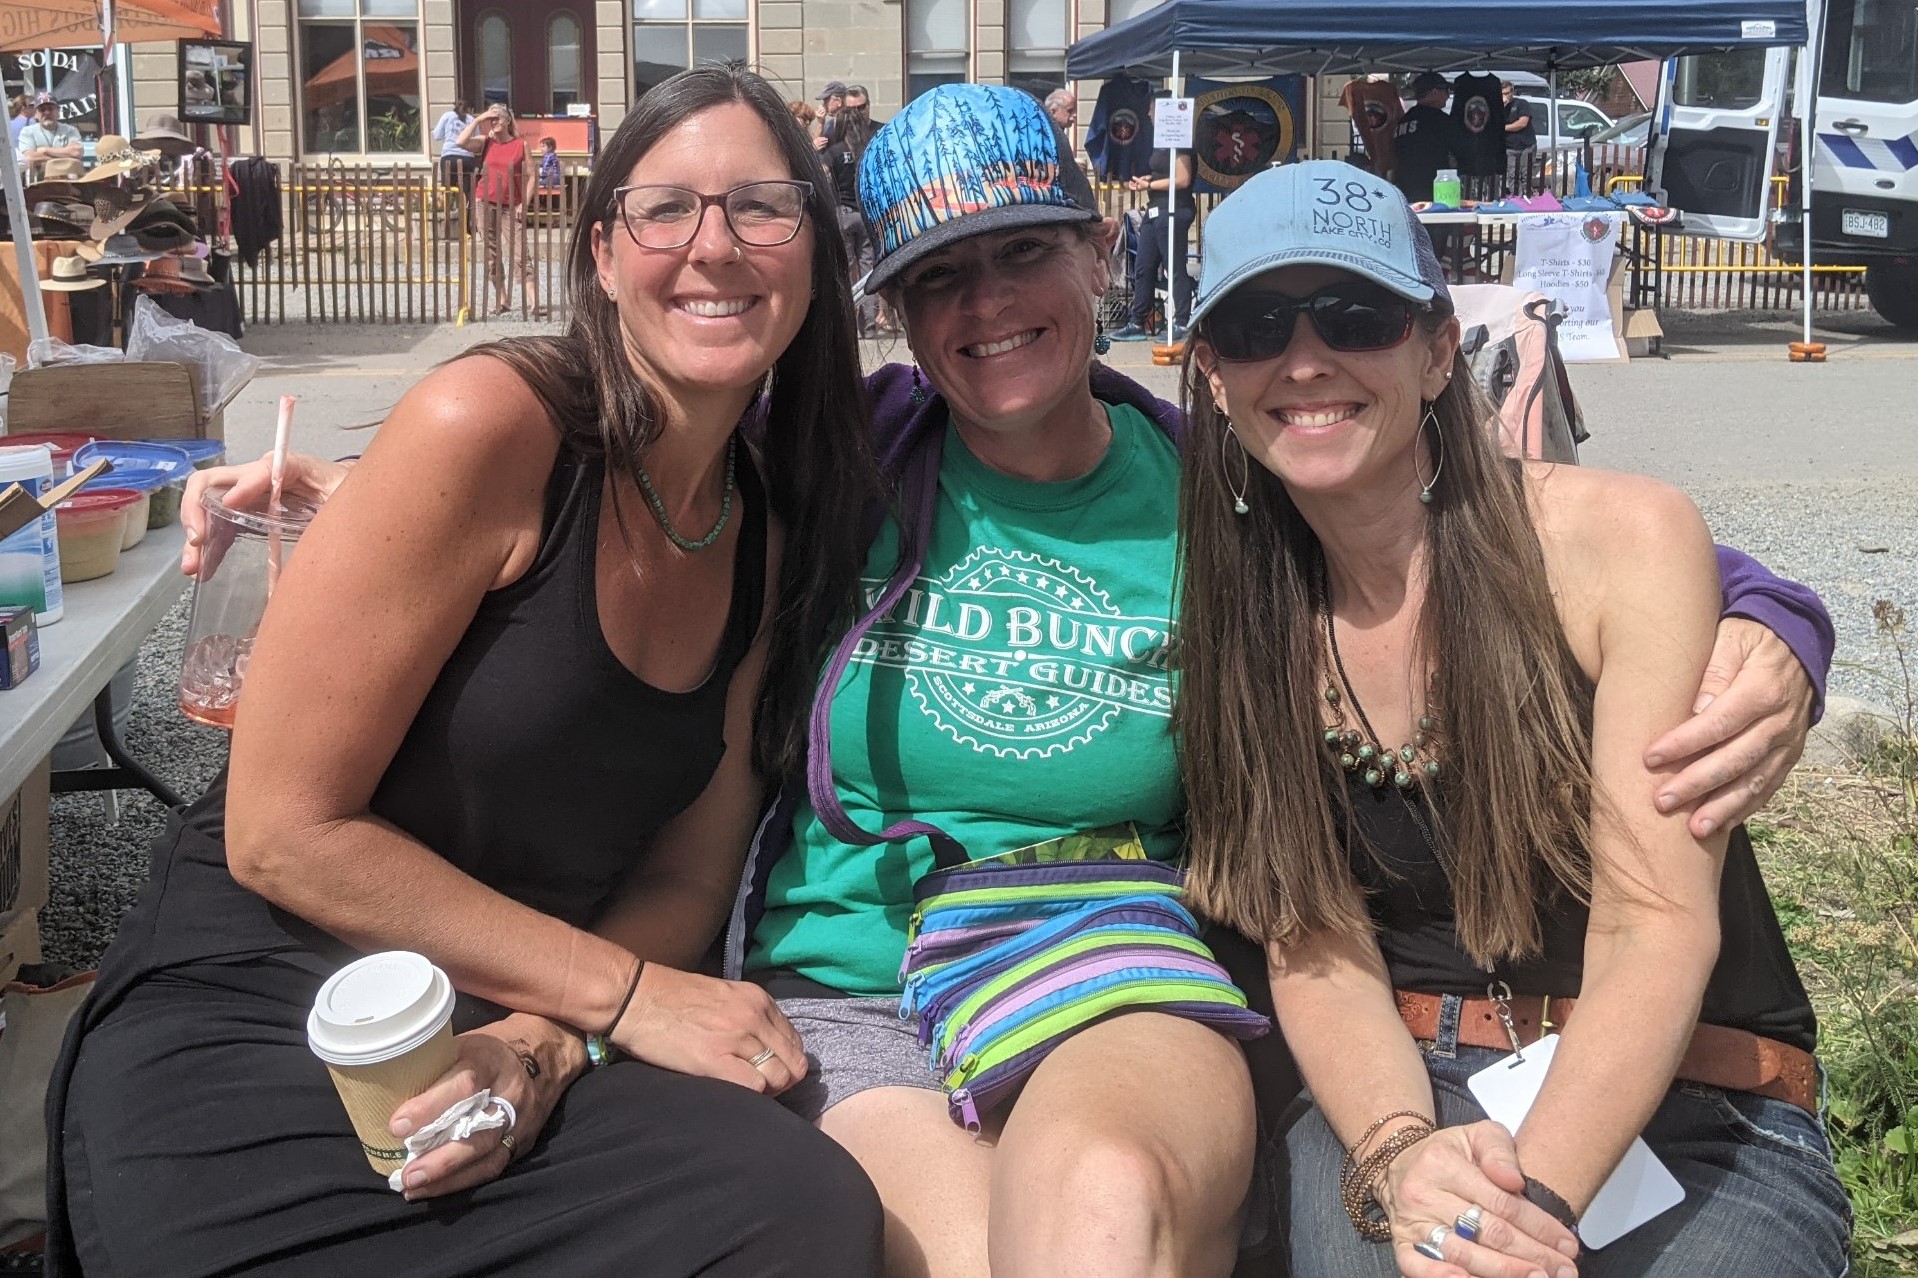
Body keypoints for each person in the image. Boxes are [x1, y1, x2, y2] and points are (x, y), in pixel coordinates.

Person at [189, 86, 1832, 1278]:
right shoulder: (829, 456)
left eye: (1022, 252)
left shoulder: (1217, 482)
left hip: (1097, 941)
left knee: (1104, 1205)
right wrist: (346, 513)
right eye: (936, 280)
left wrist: (1776, 617)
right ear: (893, 311)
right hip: (841, 970)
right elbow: (616, 476)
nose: (987, 307)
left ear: (1097, 255)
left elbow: (1471, 521)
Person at [47, 62, 887, 1278]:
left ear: (812, 250)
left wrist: (544, 1045)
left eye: (761, 204)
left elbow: (689, 870)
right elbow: (280, 833)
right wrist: (627, 995)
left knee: (801, 1205)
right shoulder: (491, 422)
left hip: (517, 1023)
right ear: (602, 254)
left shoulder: (762, 525)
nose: (714, 245)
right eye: (665, 209)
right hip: (276, 1000)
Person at [1174, 162, 1852, 1278]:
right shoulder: (1237, 598)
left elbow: (1653, 926)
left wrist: (1518, 1216)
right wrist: (1398, 1158)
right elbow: (1314, 941)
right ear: (1211, 373)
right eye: (1254, 325)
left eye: (1354, 316)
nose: (1303, 359)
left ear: (1438, 348)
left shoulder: (1613, 542)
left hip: (1687, 1093)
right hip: (1392, 1093)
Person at [457, 104, 546, 317]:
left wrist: (524, 203)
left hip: (510, 206)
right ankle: (502, 300)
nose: (493, 122)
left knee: (519, 252)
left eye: (497, 118)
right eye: (491, 119)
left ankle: (534, 302)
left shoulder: (520, 144)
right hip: (484, 202)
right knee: (491, 253)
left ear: (507, 121)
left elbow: (533, 175)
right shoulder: (485, 143)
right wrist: (479, 120)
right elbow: (460, 142)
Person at [1109, 125, 1195, 341]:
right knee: (1143, 266)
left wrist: (1152, 184)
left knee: (1173, 266)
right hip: (1154, 208)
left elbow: (1182, 179)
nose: (1149, 115)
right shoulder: (1160, 143)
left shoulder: (1180, 142)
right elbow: (1164, 173)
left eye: (1152, 109)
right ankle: (1137, 322)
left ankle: (1182, 322)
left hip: (1174, 208)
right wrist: (1148, 180)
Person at [819, 84, 881, 335]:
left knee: (845, 270)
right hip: (865, 214)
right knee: (868, 270)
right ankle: (870, 321)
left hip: (843, 213)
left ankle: (848, 322)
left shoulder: (833, 152)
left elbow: (823, 178)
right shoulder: (866, 150)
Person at [1391, 72, 1468, 204]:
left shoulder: (1404, 120)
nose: (1448, 96)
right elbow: (1461, 149)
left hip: (1405, 188)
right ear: (1434, 92)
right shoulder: (1440, 120)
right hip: (1434, 189)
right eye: (1446, 90)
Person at [17, 93, 82, 183]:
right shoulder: (27, 132)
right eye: (42, 110)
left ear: (58, 112)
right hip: (38, 185)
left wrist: (44, 150)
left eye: (51, 109)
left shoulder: (70, 130)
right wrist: (65, 157)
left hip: (69, 183)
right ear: (36, 114)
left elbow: (76, 152)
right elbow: (29, 158)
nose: (47, 113)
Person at [432, 99, 478, 191]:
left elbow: (436, 136)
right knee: (466, 190)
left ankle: (449, 205)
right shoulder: (472, 120)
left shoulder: (447, 116)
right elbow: (476, 140)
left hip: (449, 156)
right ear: (470, 109)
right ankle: (466, 205)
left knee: (448, 190)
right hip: (467, 157)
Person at [1502, 81, 1537, 192]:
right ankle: (1516, 198)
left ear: (1512, 91)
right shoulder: (1499, 107)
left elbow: (1522, 123)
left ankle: (1526, 198)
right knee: (1512, 175)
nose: (1505, 96)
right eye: (1502, 93)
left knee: (1525, 175)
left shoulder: (1521, 103)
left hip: (1526, 145)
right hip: (1510, 147)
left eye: (1507, 93)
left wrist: (1504, 128)